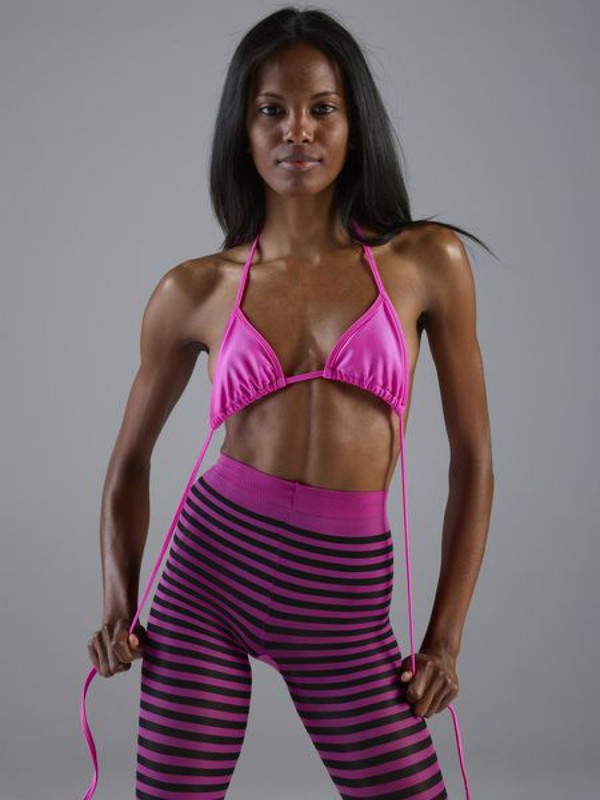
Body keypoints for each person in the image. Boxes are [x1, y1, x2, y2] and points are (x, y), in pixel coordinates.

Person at [81, 7, 494, 800]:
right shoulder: (195, 289)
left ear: (353, 126)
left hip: (342, 599)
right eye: (271, 109)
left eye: (321, 108)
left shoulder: (426, 261)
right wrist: (117, 605)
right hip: (209, 578)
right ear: (243, 131)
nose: (296, 130)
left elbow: (473, 461)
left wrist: (444, 640)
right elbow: (129, 461)